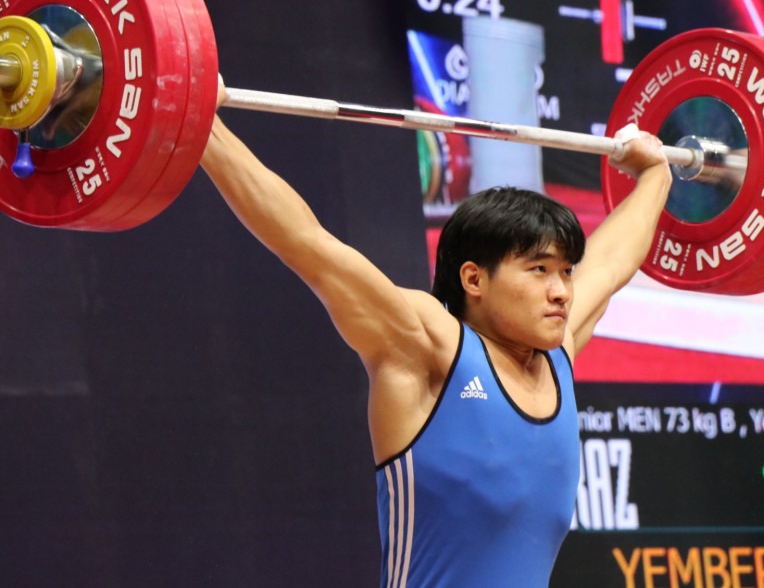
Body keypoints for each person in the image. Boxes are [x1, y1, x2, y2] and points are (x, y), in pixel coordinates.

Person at [200, 82, 671, 587]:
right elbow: (307, 244)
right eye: (538, 270)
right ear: (474, 279)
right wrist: (203, 124)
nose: (560, 291)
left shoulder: (558, 354)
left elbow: (613, 261)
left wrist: (656, 174)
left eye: (565, 272)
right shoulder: (427, 348)